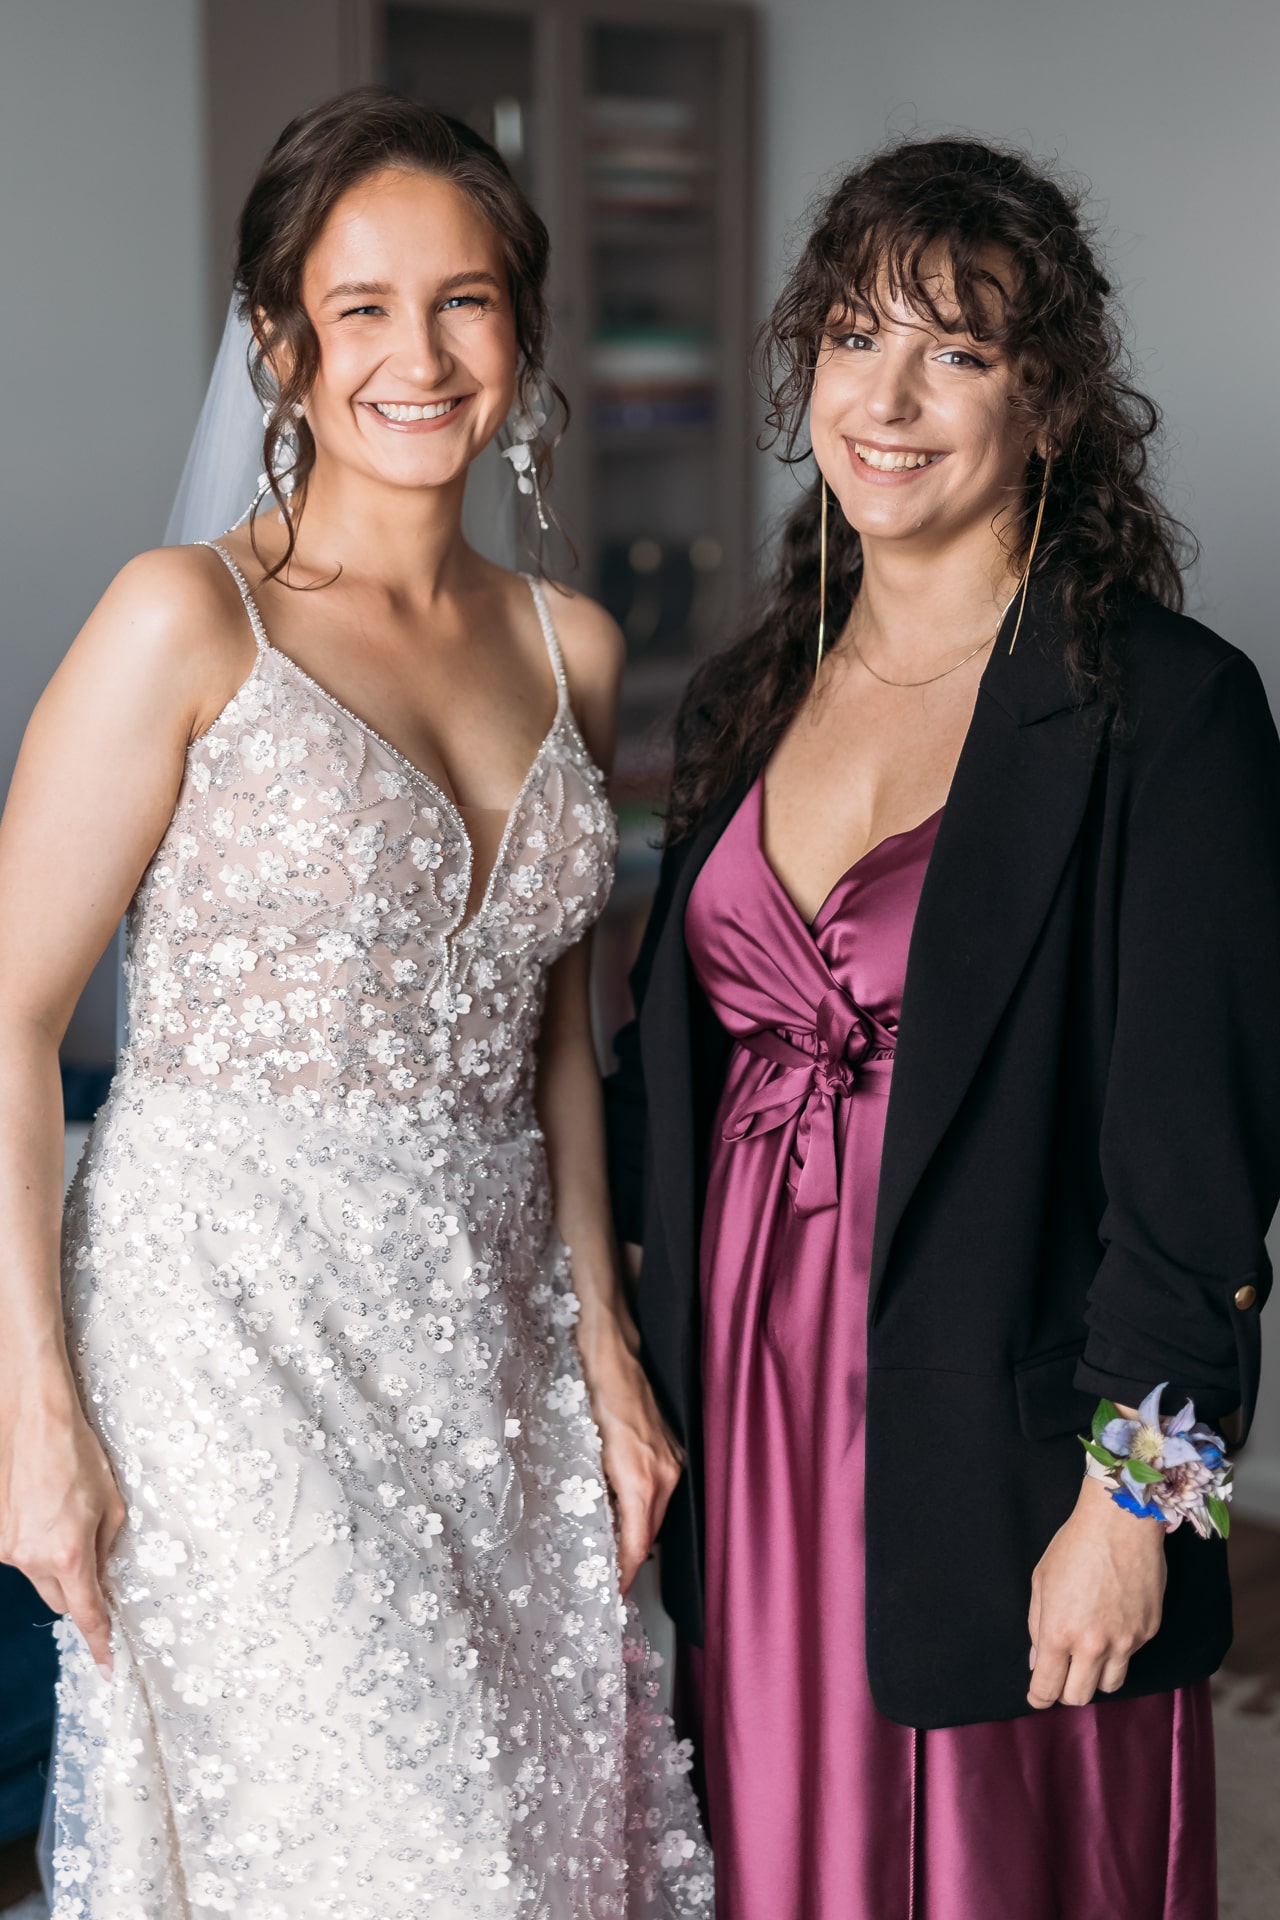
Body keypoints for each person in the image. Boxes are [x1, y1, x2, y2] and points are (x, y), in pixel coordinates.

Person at [0, 89, 710, 1918]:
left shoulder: (572, 645)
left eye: (465, 301)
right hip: (225, 1327)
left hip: (488, 1340)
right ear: (280, 340)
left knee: (540, 1837)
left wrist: (607, 1348)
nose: (421, 355)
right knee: (406, 1856)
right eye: (363, 306)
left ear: (521, 330)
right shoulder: (183, 619)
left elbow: (556, 1036)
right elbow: (7, 1014)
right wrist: (32, 1412)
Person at [604, 137, 1280, 1920]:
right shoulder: (748, 696)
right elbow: (651, 1086)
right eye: (852, 338)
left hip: (1008, 1455)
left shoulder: (1173, 715)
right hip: (751, 1430)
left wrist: (1139, 1508)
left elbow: (1205, 1202)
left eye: (956, 352)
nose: (885, 400)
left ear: (1047, 403)